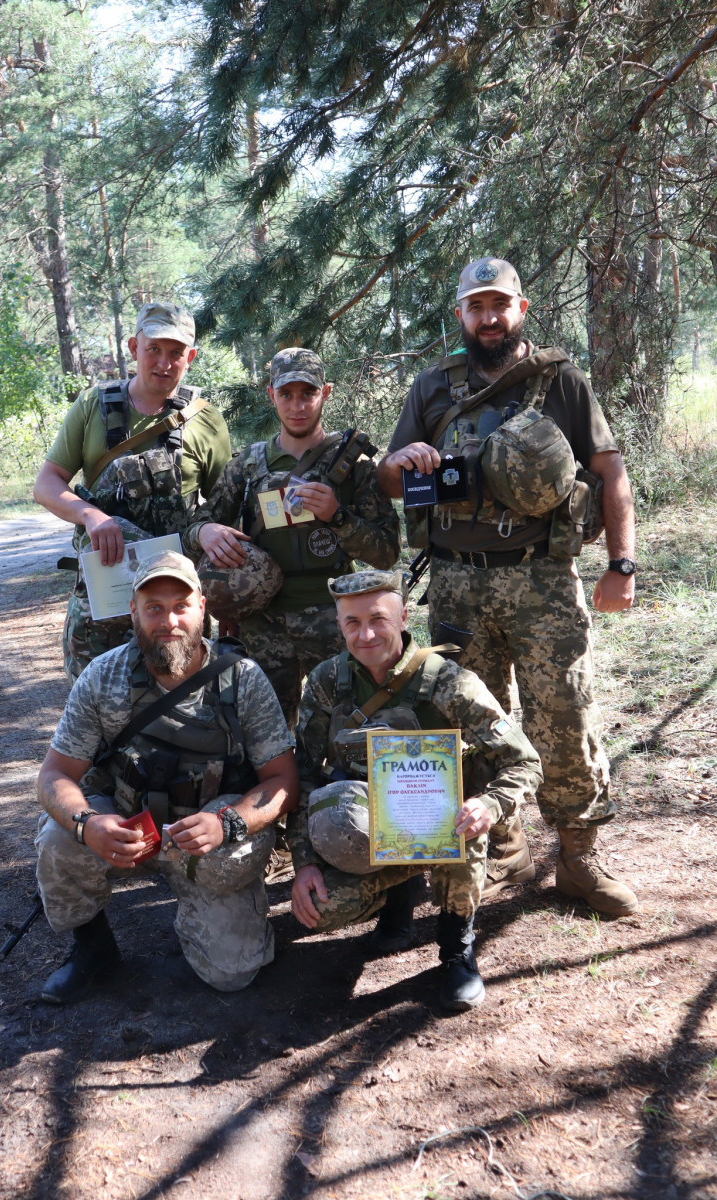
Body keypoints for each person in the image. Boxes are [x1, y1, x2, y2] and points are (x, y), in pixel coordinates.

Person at [376, 257, 638, 916]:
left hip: (544, 577)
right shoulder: (433, 387)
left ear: (520, 309)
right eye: (476, 306)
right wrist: (400, 463)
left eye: (499, 304)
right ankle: (504, 842)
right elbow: (388, 476)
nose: (488, 317)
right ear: (460, 314)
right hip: (459, 581)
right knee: (474, 721)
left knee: (565, 716)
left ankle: (578, 857)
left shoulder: (562, 383)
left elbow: (610, 471)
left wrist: (621, 565)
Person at [35, 551, 297, 1004]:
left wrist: (228, 822)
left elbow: (283, 780)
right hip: (125, 828)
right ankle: (93, 948)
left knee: (232, 975)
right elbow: (55, 774)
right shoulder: (103, 676)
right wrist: (87, 824)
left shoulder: (243, 680)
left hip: (207, 843)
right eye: (153, 607)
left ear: (202, 608)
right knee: (59, 838)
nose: (168, 620)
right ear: (133, 611)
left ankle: (204, 911)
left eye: (180, 605)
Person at [288, 570, 542, 1011]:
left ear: (404, 617)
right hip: (368, 826)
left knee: (465, 825)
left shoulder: (448, 682)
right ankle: (397, 898)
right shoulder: (329, 682)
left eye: (378, 619)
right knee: (322, 909)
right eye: (352, 622)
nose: (365, 634)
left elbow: (525, 760)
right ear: (338, 624)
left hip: (443, 825)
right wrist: (304, 863)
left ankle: (457, 947)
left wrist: (489, 805)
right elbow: (304, 773)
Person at [184, 347, 400, 727]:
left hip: (334, 621)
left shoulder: (353, 466)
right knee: (264, 736)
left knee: (345, 731)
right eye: (286, 394)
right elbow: (195, 526)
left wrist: (338, 516)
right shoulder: (247, 465)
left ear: (326, 393)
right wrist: (205, 530)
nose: (297, 405)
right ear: (271, 395)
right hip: (263, 624)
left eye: (307, 393)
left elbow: (387, 552)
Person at [34, 302, 232, 683]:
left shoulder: (205, 419)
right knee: (98, 716)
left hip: (174, 608)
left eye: (176, 352)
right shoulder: (93, 405)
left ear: (189, 357)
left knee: (180, 711)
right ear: (133, 348)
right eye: (153, 349)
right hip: (104, 598)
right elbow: (46, 484)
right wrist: (91, 515)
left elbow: (224, 509)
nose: (164, 362)